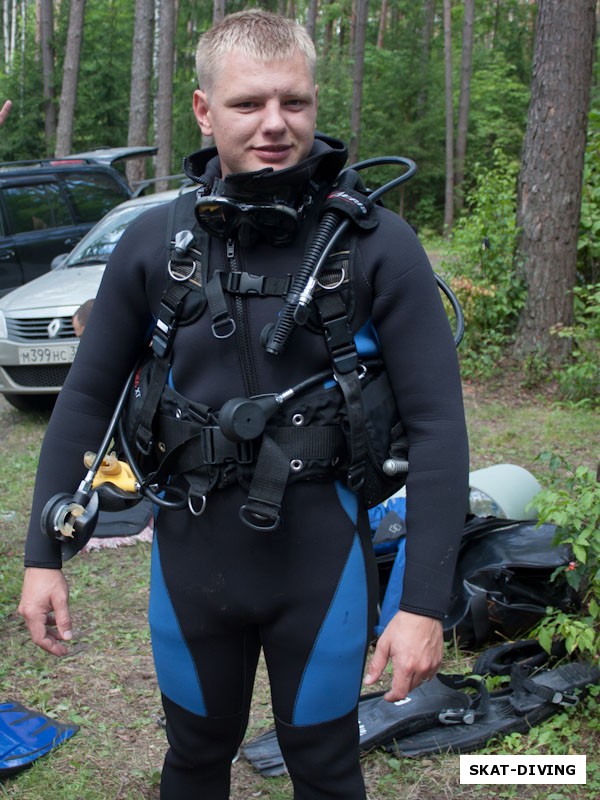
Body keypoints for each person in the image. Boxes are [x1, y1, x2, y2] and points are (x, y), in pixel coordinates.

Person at [18, 10, 469, 800]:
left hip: (322, 561)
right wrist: (40, 555)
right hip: (192, 559)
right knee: (193, 762)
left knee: (327, 769)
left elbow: (437, 427)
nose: (274, 125)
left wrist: (423, 604)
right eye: (248, 104)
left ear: (315, 104)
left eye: (293, 102)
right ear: (203, 110)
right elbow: (86, 397)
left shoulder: (378, 246)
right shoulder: (155, 244)